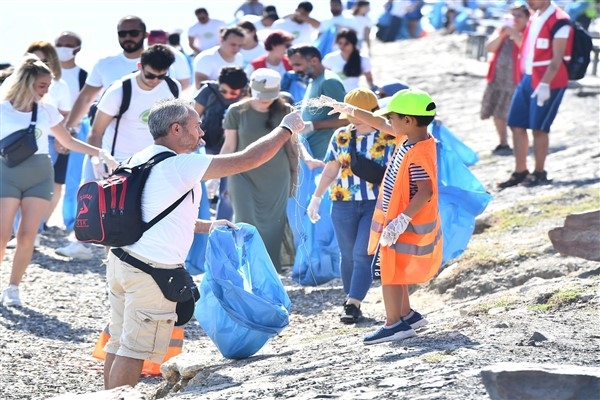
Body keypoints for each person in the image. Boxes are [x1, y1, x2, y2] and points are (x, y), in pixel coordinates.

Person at [102, 97, 304, 389]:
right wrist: (286, 129)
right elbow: (247, 159)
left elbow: (151, 217)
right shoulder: (180, 165)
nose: (202, 134)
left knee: (119, 343)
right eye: (196, 127)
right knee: (134, 351)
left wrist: (210, 226)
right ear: (176, 129)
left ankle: (109, 396)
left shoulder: (139, 158)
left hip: (122, 262)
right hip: (149, 272)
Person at [320, 88, 442, 344]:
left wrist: (401, 220)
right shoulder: (410, 137)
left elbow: (425, 190)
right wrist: (349, 109)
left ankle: (394, 324)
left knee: (389, 271)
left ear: (407, 121)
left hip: (404, 221)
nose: (388, 123)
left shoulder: (417, 150)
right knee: (396, 270)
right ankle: (408, 315)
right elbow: (378, 121)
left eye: (393, 118)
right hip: (398, 219)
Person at [0, 55, 117, 307]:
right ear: (25, 82)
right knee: (2, 235)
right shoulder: (2, 108)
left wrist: (100, 152)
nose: (46, 91)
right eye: (42, 86)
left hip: (40, 173)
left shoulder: (46, 109)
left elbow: (68, 141)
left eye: (48, 86)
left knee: (28, 234)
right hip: (7, 172)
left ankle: (13, 288)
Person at [307, 88, 396, 323]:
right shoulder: (341, 135)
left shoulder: (388, 135)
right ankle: (351, 300)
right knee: (346, 255)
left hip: (376, 203)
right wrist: (316, 198)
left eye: (360, 112)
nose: (355, 117)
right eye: (351, 111)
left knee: (362, 253)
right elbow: (331, 169)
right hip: (342, 202)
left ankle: (353, 303)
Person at [220, 68, 298, 272]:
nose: (265, 100)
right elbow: (229, 147)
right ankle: (247, 268)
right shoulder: (236, 111)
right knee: (244, 222)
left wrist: (295, 176)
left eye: (270, 96)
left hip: (276, 176)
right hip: (242, 175)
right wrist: (216, 176)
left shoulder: (286, 111)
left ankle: (268, 271)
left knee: (274, 225)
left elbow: (292, 149)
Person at [498, 0, 573, 188]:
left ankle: (540, 172)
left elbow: (557, 58)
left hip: (548, 81)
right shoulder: (535, 16)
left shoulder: (560, 20)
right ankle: (520, 171)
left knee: (539, 128)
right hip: (528, 79)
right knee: (516, 124)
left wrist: (545, 84)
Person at [87, 44, 180, 163]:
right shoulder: (118, 91)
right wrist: (96, 160)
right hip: (117, 162)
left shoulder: (173, 88)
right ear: (139, 66)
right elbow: (96, 133)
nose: (155, 81)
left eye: (161, 76)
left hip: (155, 161)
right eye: (150, 75)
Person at [194, 66, 249, 220]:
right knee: (199, 189)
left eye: (234, 93)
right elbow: (192, 118)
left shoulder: (248, 97)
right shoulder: (208, 91)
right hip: (207, 147)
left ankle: (222, 230)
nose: (228, 96)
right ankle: (199, 225)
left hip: (234, 150)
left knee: (227, 194)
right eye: (224, 91)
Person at [481, 3, 530, 156]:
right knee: (497, 112)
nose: (515, 19)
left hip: (516, 81)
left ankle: (519, 143)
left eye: (519, 16)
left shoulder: (528, 33)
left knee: (513, 115)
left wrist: (514, 33)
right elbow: (490, 47)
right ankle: (503, 142)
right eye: (512, 15)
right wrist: (503, 34)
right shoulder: (502, 30)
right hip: (498, 79)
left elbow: (526, 48)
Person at [287, 44, 347, 160]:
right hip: (313, 153)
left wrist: (313, 126)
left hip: (326, 154)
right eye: (292, 65)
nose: (295, 70)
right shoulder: (313, 81)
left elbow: (348, 117)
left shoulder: (328, 81)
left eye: (298, 64)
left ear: (314, 61)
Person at [322, 28, 376, 92]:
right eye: (340, 43)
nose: (342, 46)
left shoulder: (363, 59)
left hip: (354, 94)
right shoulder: (330, 58)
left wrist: (374, 89)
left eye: (346, 43)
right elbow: (323, 78)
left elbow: (369, 79)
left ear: (353, 44)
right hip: (336, 93)